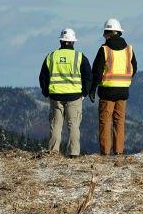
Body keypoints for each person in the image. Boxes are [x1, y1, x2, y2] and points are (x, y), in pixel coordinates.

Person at [39, 28, 91, 158]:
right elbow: (88, 77)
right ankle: (73, 153)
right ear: (73, 41)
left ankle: (53, 151)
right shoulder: (80, 57)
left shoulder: (51, 56)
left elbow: (43, 77)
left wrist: (46, 93)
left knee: (56, 125)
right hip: (74, 96)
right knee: (73, 125)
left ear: (61, 41)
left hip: (55, 96)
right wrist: (84, 93)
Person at [89, 18, 137, 156]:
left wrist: (92, 89)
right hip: (123, 91)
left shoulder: (104, 50)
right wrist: (125, 80)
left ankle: (105, 152)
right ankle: (119, 152)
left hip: (107, 91)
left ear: (107, 33)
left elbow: (96, 72)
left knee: (105, 122)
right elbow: (134, 68)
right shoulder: (129, 50)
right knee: (119, 122)